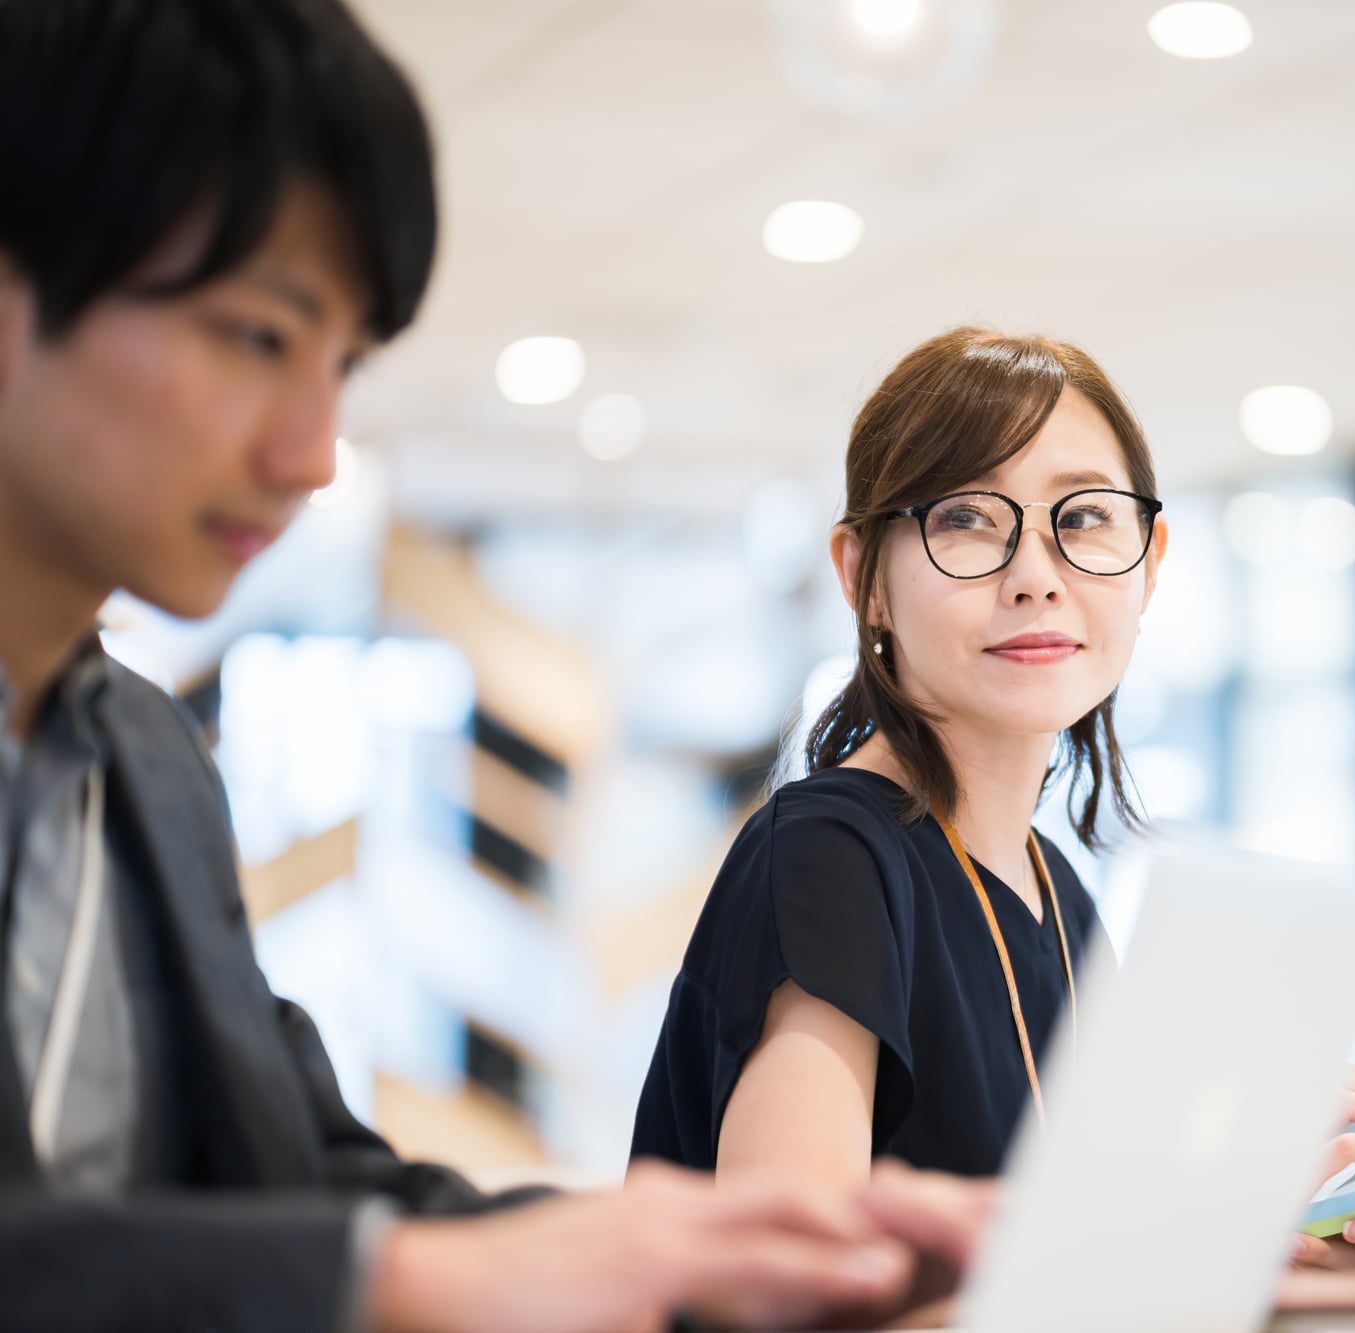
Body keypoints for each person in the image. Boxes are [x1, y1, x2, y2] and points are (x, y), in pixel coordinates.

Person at [0, 1, 985, 1329]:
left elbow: (308, 1174)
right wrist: (401, 1282)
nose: (309, 450)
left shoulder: (142, 755)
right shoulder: (842, 845)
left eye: (344, 363)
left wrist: (702, 1248)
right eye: (257, 336)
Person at [630, 326, 1355, 1272]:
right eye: (967, 519)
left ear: (1149, 563)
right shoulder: (827, 854)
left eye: (1086, 517)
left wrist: (1249, 1232)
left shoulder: (1055, 888)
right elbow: (788, 1271)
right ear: (864, 579)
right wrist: (1200, 1232)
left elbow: (1075, 1271)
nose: (1035, 576)